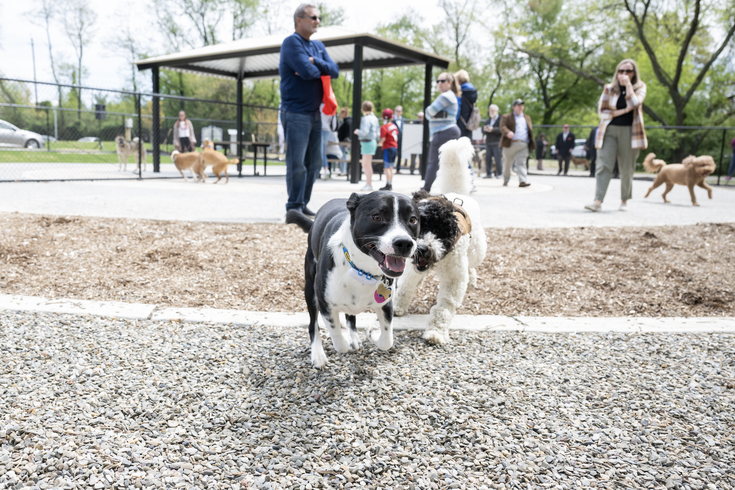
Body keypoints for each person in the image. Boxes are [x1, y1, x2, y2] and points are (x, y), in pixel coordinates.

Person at [279, 3, 339, 216]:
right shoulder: (291, 43)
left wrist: (317, 62)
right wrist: (317, 67)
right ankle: (293, 207)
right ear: (299, 20)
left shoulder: (318, 46)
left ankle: (302, 203)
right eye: (313, 17)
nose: (317, 21)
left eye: (318, 18)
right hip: (295, 113)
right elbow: (306, 72)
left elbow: (335, 70)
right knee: (297, 163)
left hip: (315, 114)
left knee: (314, 164)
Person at [585, 59, 647, 212]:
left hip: (630, 132)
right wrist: (622, 111)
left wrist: (628, 87)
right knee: (603, 165)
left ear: (634, 73)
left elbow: (634, 104)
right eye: (621, 71)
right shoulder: (609, 88)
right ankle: (597, 201)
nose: (624, 74)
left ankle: (624, 200)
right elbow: (602, 113)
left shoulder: (640, 87)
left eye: (628, 71)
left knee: (626, 168)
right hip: (609, 130)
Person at [422, 72, 461, 192]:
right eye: (437, 81)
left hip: (443, 132)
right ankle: (453, 189)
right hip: (449, 131)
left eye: (442, 81)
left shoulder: (445, 96)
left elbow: (428, 112)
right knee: (449, 163)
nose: (439, 83)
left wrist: (434, 114)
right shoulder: (451, 96)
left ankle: (425, 189)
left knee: (434, 162)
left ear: (450, 83)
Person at [499, 99, 535, 188]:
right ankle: (506, 180)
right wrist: (508, 132)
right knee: (507, 162)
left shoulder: (527, 118)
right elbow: (502, 126)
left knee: (522, 163)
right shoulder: (506, 117)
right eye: (518, 105)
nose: (520, 107)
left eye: (522, 105)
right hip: (510, 144)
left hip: (523, 144)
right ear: (513, 107)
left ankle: (522, 181)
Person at [354, 100, 379, 191]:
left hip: (367, 142)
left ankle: (368, 184)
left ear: (362, 109)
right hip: (371, 142)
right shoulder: (375, 118)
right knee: (367, 164)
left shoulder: (365, 119)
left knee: (366, 164)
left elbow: (364, 132)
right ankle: (368, 184)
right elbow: (378, 133)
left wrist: (357, 132)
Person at [378, 108, 400, 191]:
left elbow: (383, 139)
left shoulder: (384, 127)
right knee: (391, 167)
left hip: (387, 148)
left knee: (386, 167)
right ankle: (390, 183)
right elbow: (396, 138)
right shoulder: (394, 126)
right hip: (394, 148)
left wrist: (378, 144)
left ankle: (388, 185)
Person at [455, 70, 478, 140]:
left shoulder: (459, 94)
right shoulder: (472, 93)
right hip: (469, 126)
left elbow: (456, 111)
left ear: (458, 81)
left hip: (459, 127)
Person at [482, 104, 502, 178]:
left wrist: (492, 129)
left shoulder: (501, 119)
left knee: (498, 159)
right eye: (490, 110)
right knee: (488, 159)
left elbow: (501, 129)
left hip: (497, 142)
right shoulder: (488, 120)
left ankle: (499, 173)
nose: (491, 112)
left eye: (493, 110)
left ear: (496, 111)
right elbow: (483, 129)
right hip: (488, 142)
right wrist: (486, 129)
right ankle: (489, 173)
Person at [319, 102, 338, 180]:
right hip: (327, 131)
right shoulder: (329, 107)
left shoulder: (318, 106)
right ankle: (326, 169)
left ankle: (325, 169)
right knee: (322, 150)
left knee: (320, 151)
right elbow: (334, 124)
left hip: (318, 129)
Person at [336, 107, 352, 175]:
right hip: (343, 141)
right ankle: (343, 170)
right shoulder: (345, 121)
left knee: (344, 156)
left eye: (341, 113)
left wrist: (346, 141)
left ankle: (344, 171)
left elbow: (348, 133)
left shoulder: (347, 122)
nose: (339, 115)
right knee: (343, 156)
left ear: (344, 113)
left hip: (344, 142)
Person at [393, 105, 405, 173]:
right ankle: (391, 167)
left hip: (401, 139)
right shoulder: (392, 119)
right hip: (394, 139)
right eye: (397, 111)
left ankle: (398, 169)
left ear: (401, 112)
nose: (398, 112)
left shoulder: (403, 119)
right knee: (393, 153)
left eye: (399, 111)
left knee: (400, 154)